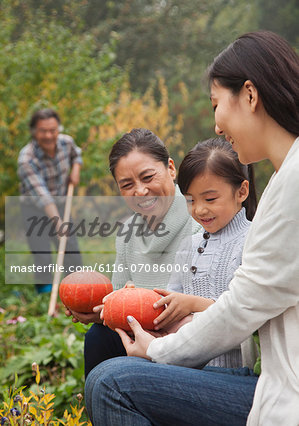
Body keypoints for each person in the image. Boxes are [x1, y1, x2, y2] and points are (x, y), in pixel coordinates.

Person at [85, 30, 299, 426]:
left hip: (281, 394)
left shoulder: (290, 187)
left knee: (110, 382)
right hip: (271, 384)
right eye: (125, 185)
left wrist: (158, 352)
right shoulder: (284, 183)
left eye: (217, 104)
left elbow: (240, 308)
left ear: (250, 95)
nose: (216, 125)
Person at [66, 128, 200, 376]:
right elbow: (122, 302)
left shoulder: (202, 219)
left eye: (148, 177)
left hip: (190, 339)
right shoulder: (127, 233)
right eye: (127, 185)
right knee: (99, 336)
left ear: (171, 168)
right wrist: (96, 312)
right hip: (140, 338)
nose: (140, 191)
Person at [152, 137, 257, 369]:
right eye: (190, 200)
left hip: (233, 372)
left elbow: (248, 313)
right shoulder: (187, 245)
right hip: (185, 366)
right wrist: (137, 297)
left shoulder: (253, 240)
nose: (199, 209)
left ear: (241, 191)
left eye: (210, 199)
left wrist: (193, 304)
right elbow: (170, 302)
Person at [18, 108, 83, 293]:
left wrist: (76, 169)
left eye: (53, 130)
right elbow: (43, 195)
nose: (48, 135)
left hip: (62, 202)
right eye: (43, 131)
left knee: (70, 246)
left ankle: (75, 288)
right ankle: (46, 294)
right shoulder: (26, 159)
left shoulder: (66, 142)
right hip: (34, 208)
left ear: (58, 129)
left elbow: (76, 154)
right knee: (42, 253)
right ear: (34, 132)